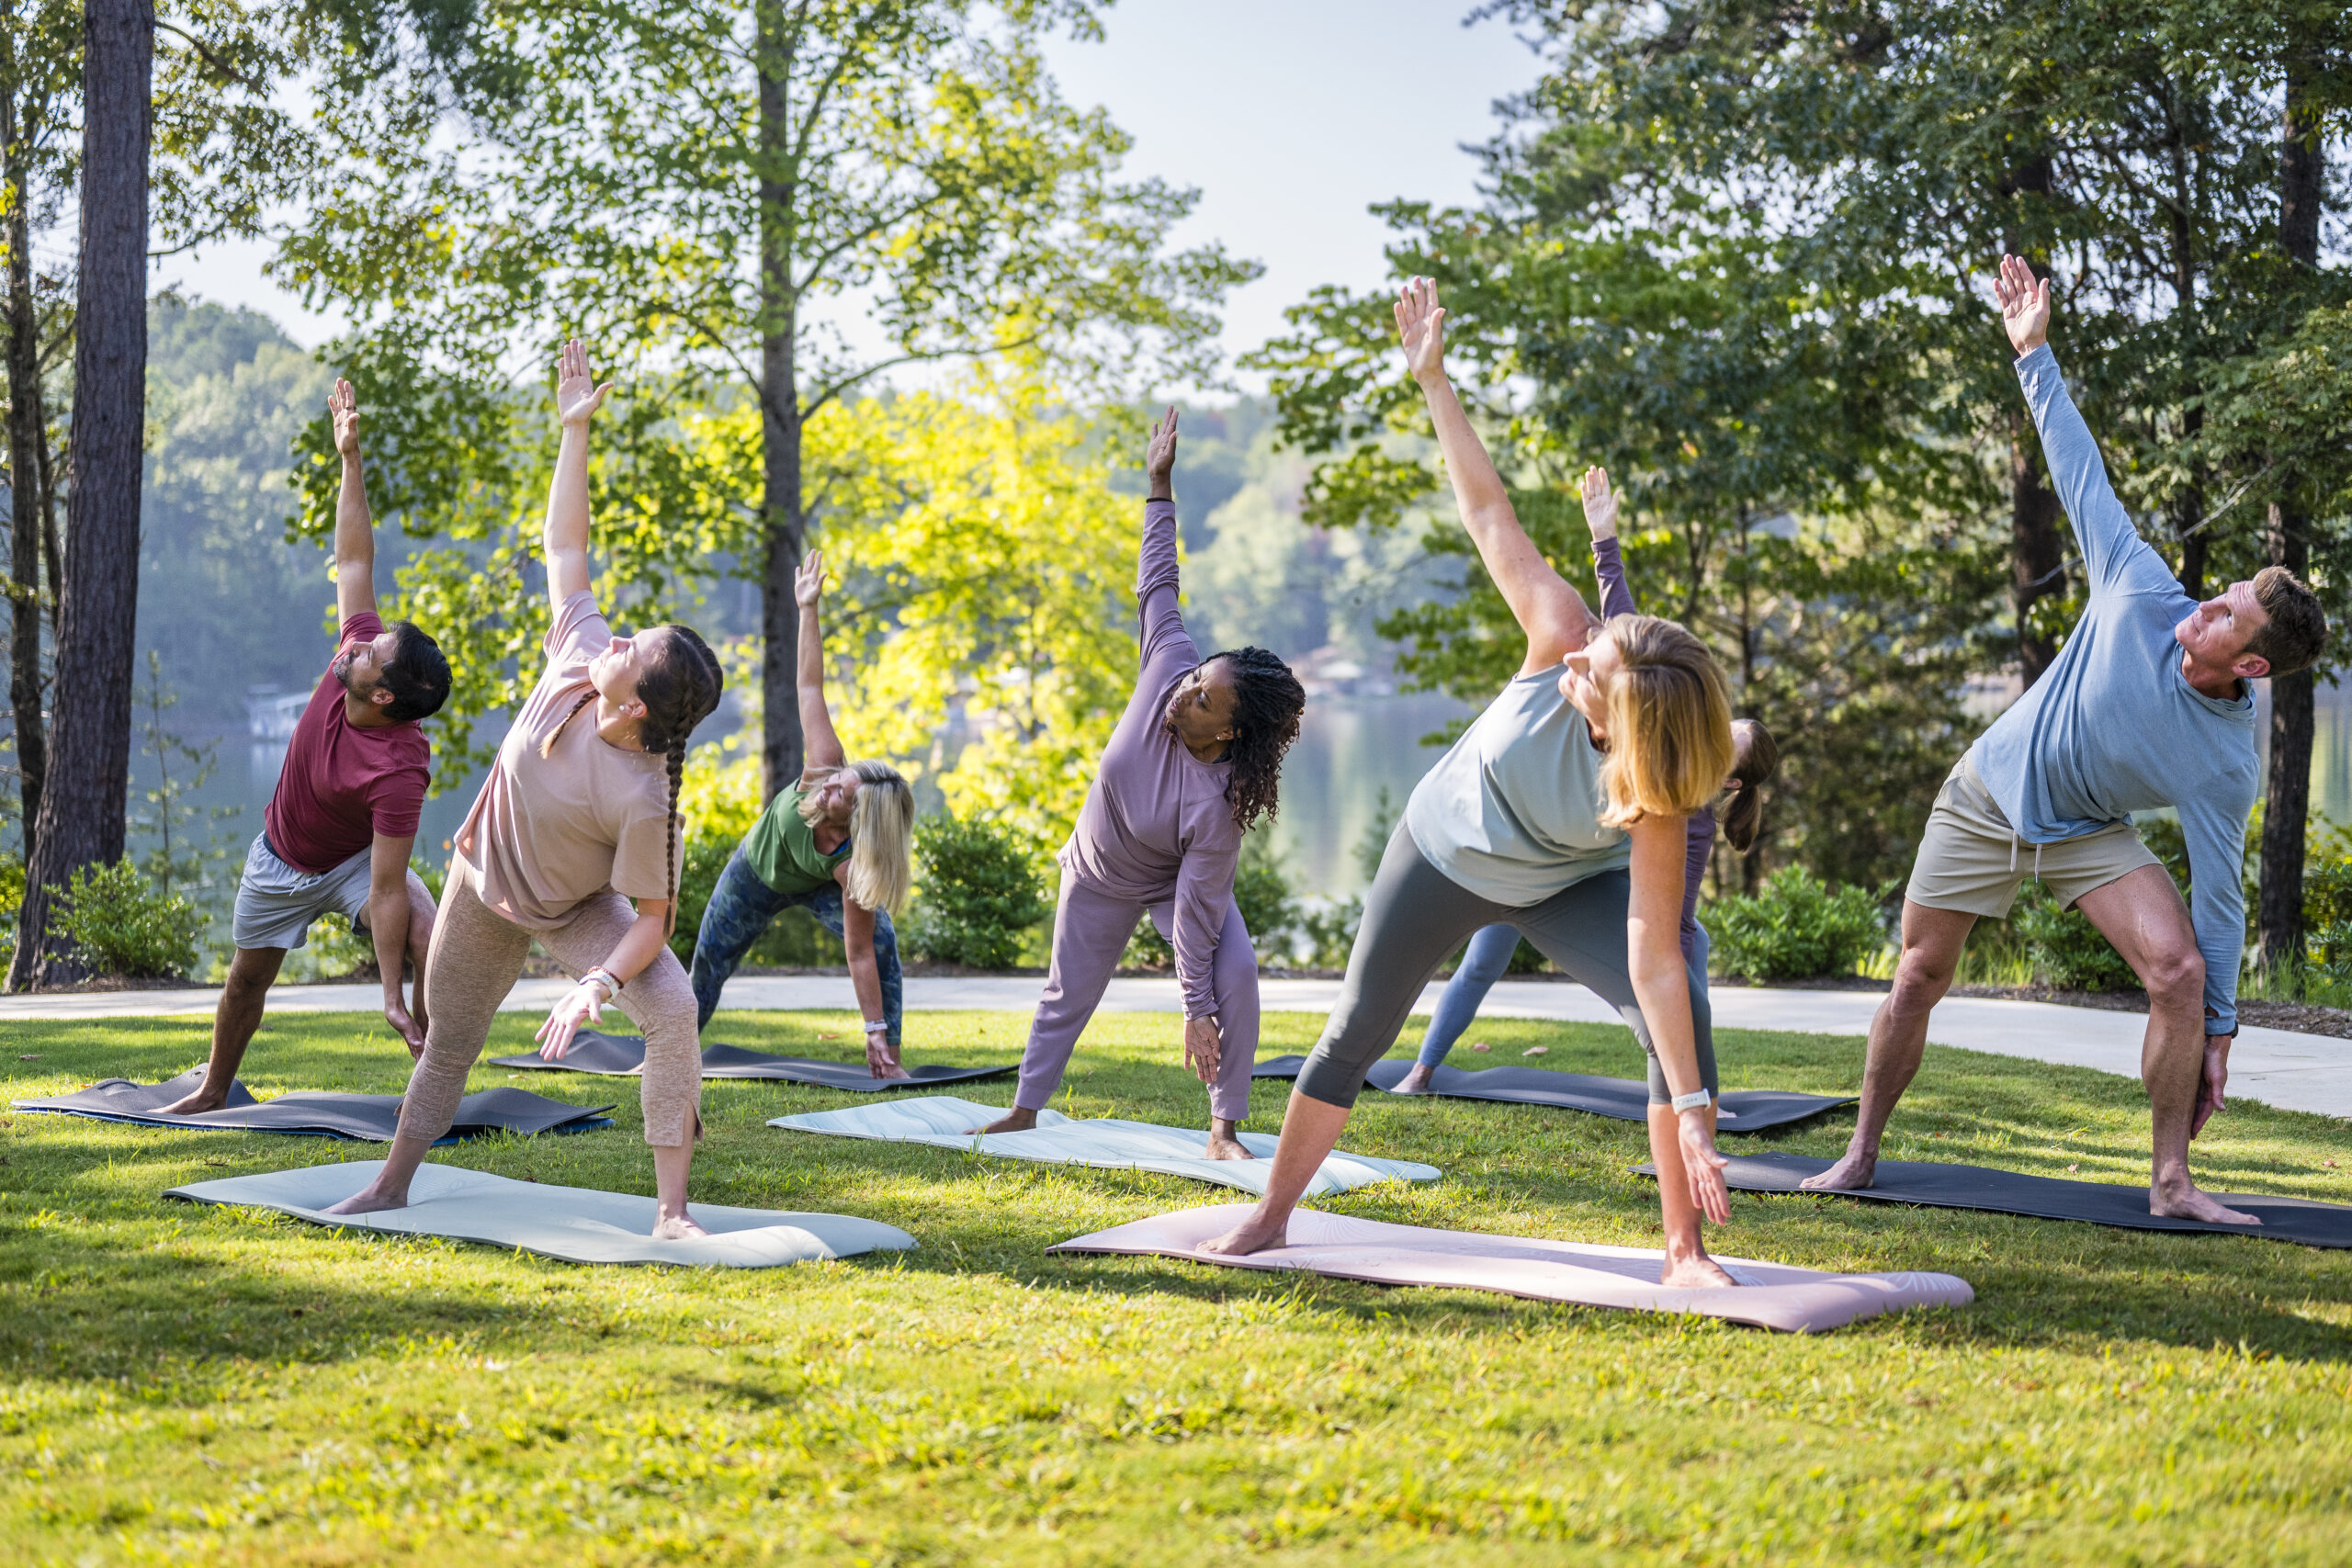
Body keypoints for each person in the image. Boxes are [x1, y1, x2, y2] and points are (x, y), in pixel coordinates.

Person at [1203, 279, 1737, 1284]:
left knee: (1682, 1010)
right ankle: (1273, 1213)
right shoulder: (1560, 628)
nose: (1578, 659)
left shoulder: (1657, 792)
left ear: (1624, 723)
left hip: (1562, 881)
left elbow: (1653, 962)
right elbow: (1485, 508)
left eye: (1595, 671)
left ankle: (1683, 1250)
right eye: (1590, 648)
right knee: (1358, 1024)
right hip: (1445, 849)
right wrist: (1433, 382)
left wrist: (1699, 1106)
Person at [1802, 256, 2328, 1224]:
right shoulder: (2135, 586)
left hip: (2082, 827)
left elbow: (2220, 894)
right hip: (1989, 793)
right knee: (1919, 972)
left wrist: (2219, 1031)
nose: (2205, 606)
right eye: (2218, 595)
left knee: (2175, 970)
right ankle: (1861, 1152)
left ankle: (2171, 1183)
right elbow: (2074, 464)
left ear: (2249, 667)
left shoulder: (2223, 760)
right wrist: (2032, 352)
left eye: (2227, 616)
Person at [328, 340, 724, 1236]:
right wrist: (573, 432)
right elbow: (565, 542)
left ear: (639, 709)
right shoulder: (583, 653)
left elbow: (654, 919)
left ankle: (670, 1212)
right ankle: (392, 1185)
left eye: (632, 651)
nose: (615, 641)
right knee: (447, 1046)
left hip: (573, 913)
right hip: (478, 888)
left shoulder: (647, 793)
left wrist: (594, 988)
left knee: (673, 1008)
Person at [975, 408, 1306, 1158]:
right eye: (1195, 677)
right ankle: (1025, 1110)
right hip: (1097, 868)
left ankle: (1224, 1130)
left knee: (1238, 971)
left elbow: (1194, 915)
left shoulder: (1218, 806)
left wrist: (1196, 1008)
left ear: (1227, 731)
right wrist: (1159, 488)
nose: (1183, 692)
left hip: (1164, 880)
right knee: (1067, 993)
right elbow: (1158, 580)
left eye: (1202, 697)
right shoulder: (1167, 664)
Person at [1396, 471, 1780, 1093]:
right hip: (1520, 852)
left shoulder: (1690, 816)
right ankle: (1421, 1070)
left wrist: (1671, 998)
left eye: (1721, 751)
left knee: (1691, 954)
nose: (1706, 742)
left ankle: (1690, 1086)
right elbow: (1623, 632)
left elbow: (1673, 919)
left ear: (1730, 784)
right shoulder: (1643, 720)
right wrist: (1605, 536)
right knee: (1479, 967)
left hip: (1578, 881)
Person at [161, 379, 449, 1115]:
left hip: (354, 864)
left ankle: (432, 1073)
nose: (352, 650)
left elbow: (385, 887)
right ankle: (213, 1088)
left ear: (383, 695)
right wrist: (349, 458)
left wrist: (388, 995)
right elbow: (354, 561)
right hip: (281, 858)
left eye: (367, 657)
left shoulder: (400, 770)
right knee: (245, 980)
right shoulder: (354, 653)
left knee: (430, 929)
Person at [688, 548, 914, 1077]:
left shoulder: (852, 866)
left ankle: (889, 1060)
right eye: (841, 776)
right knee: (709, 957)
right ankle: (673, 1053)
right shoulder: (823, 766)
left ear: (857, 823)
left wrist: (872, 1028)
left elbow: (858, 954)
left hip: (814, 882)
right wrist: (807, 608)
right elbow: (808, 684)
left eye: (841, 794)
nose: (831, 785)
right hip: (756, 871)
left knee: (881, 942)